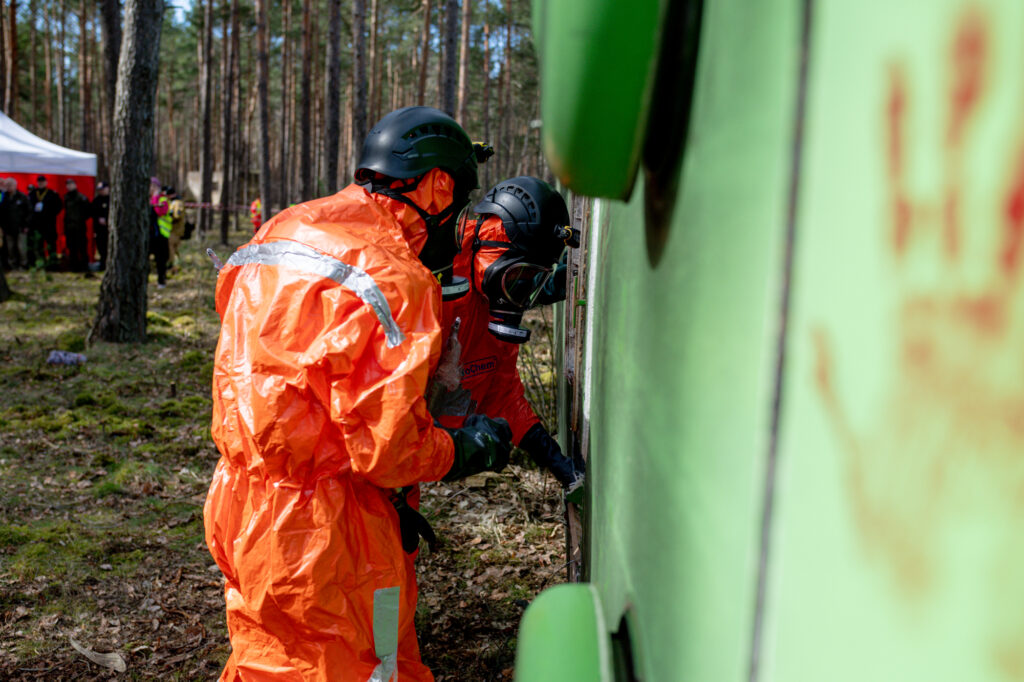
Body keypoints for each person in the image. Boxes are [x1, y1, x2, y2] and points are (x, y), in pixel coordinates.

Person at [204, 106, 512, 682]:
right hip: (330, 534)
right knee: (357, 666)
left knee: (267, 657)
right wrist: (467, 448)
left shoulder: (283, 228)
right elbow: (389, 452)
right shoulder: (395, 276)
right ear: (438, 186)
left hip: (240, 502)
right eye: (460, 202)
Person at [435, 176, 585, 492]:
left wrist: (554, 459)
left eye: (534, 281)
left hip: (417, 461)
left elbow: (501, 395)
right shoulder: (433, 281)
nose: (517, 295)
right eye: (518, 277)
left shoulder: (495, 317)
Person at [28, 175, 63, 269]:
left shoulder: (52, 194)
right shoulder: (33, 194)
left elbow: (59, 206)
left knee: (51, 244)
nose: (41, 183)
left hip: (49, 224)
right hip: (37, 224)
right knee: (39, 245)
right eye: (39, 182)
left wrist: (50, 213)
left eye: (43, 181)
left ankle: (53, 263)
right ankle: (41, 263)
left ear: (46, 182)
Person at [0, 178, 30, 270]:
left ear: (15, 185)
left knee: (21, 248)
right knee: (10, 248)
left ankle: (23, 265)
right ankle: (12, 265)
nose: (8, 187)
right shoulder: (4, 198)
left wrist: (26, 225)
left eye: (10, 185)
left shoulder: (22, 197)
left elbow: (29, 212)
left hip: (20, 227)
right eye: (7, 185)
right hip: (8, 228)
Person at [63, 179, 92, 273]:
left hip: (79, 227)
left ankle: (84, 266)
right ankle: (73, 267)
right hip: (69, 227)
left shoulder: (81, 197)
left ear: (75, 185)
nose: (69, 186)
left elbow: (88, 212)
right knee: (72, 248)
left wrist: (80, 220)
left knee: (82, 247)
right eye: (68, 185)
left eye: (71, 184)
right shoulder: (66, 197)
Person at [149, 179, 170, 289]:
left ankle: (161, 281)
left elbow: (161, 212)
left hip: (161, 235)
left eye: (152, 186)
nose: (150, 189)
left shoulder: (163, 199)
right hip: (148, 235)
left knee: (161, 260)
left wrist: (155, 197)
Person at [166, 187, 187, 271]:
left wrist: (170, 217)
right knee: (174, 249)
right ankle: (176, 264)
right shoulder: (174, 202)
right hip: (173, 230)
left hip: (175, 230)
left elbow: (177, 215)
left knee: (171, 248)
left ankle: (172, 265)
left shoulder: (177, 203)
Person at [92, 182, 111, 271]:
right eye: (100, 190)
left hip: (109, 229)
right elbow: (93, 213)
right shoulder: (96, 200)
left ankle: (109, 265)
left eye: (103, 189)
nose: (101, 191)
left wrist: (107, 220)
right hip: (99, 229)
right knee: (101, 247)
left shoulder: (112, 200)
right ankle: (102, 264)